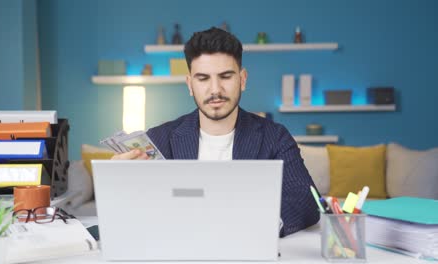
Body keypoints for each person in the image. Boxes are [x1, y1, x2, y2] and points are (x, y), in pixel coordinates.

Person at [112, 27, 320, 237]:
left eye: (226, 76)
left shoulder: (275, 136)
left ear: (243, 79)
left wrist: (255, 228)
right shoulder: (159, 139)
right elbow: (142, 208)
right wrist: (120, 185)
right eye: (203, 78)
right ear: (190, 84)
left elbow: (305, 201)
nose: (215, 90)